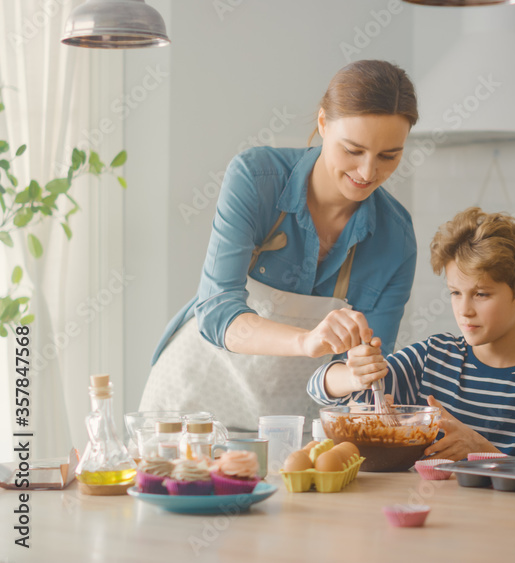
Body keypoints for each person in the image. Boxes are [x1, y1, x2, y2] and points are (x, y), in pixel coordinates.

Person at [139, 60, 420, 431]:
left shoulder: (395, 241)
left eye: (389, 156)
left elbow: (359, 375)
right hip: (192, 404)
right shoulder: (256, 179)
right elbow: (216, 310)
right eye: (353, 150)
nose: (368, 172)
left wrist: (358, 372)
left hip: (290, 426)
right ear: (323, 124)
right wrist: (308, 342)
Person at [308, 207, 515, 459]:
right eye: (455, 293)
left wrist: (481, 450)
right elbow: (319, 387)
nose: (464, 310)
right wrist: (355, 375)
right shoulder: (434, 357)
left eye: (481, 294)